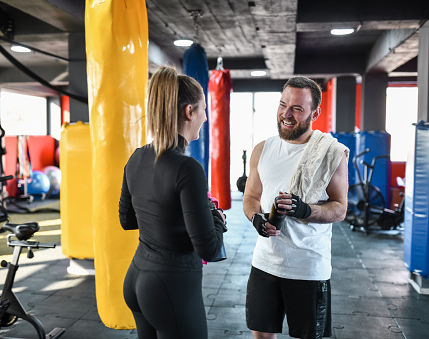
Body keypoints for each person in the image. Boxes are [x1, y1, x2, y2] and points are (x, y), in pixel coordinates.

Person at [118, 66, 226, 339]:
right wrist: (216, 219)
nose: (206, 116)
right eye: (204, 109)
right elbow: (209, 249)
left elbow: (127, 220)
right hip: (170, 285)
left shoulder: (136, 157)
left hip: (137, 277)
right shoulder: (186, 168)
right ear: (189, 111)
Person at [243, 76, 349, 339]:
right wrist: (257, 218)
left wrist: (305, 210)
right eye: (283, 105)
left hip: (308, 266)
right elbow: (251, 197)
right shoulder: (262, 149)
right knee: (261, 335)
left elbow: (340, 208)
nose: (286, 114)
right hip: (265, 262)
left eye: (297, 109)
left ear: (315, 113)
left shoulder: (331, 154)